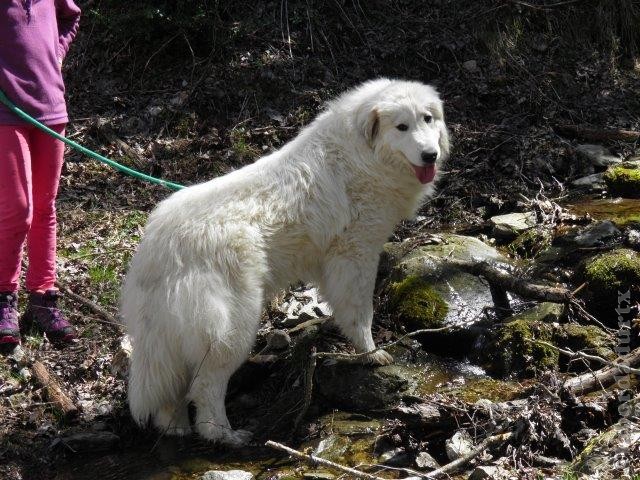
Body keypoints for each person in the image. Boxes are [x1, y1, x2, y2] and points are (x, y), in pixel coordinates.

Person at [0, 0, 81, 346]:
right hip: (6, 110)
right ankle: (4, 297)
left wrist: (58, 52)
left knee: (45, 207)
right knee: (18, 209)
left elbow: (71, 16)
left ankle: (43, 298)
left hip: (50, 105)